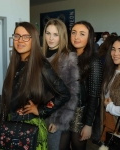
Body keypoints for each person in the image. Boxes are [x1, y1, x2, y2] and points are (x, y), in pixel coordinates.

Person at [0, 22, 71, 150]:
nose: (20, 40)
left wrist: (41, 110)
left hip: (30, 130)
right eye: (17, 36)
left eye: (26, 37)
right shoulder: (15, 63)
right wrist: (1, 125)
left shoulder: (41, 66)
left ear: (34, 40)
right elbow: (6, 98)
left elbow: (64, 93)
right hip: (10, 125)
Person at [60, 21, 103, 150]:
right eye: (74, 33)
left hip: (80, 114)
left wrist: (88, 124)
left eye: (82, 34)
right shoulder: (67, 56)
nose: (76, 37)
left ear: (89, 38)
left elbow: (94, 96)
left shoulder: (94, 61)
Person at [42, 18, 79, 150]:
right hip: (38, 113)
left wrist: (58, 122)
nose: (50, 38)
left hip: (54, 115)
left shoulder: (68, 59)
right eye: (48, 33)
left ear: (62, 36)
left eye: (55, 34)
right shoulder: (39, 55)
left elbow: (72, 94)